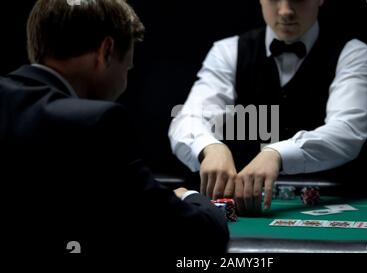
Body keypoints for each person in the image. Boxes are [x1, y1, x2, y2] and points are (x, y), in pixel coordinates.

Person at [0, 0, 228, 255]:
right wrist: (190, 197)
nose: (125, 81)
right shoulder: (96, 122)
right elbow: (200, 234)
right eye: (128, 68)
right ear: (106, 51)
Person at [169, 0, 367, 215]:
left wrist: (276, 153)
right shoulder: (227, 51)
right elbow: (188, 118)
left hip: (328, 199)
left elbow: (347, 131)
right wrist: (209, 147)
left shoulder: (352, 54)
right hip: (239, 210)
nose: (285, 11)